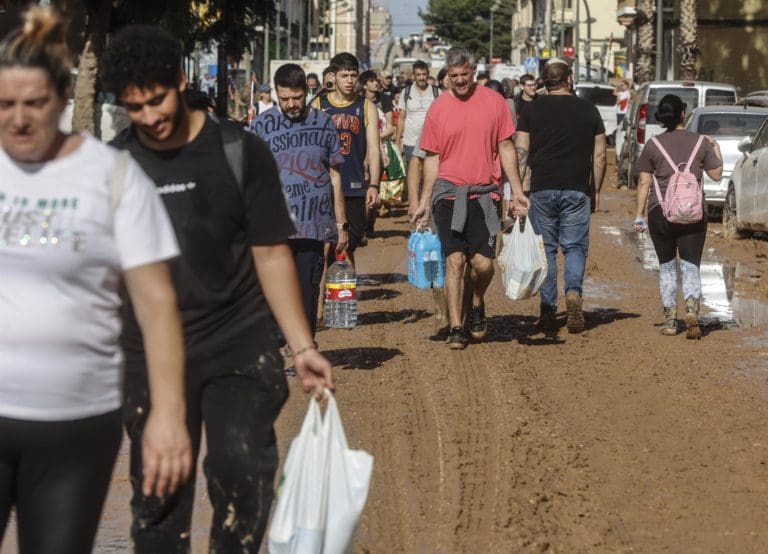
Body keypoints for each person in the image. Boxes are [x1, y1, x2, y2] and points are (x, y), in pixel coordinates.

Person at [102, 25, 333, 553]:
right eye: (134, 107)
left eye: (157, 100)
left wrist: (302, 347)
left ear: (180, 81)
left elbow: (271, 253)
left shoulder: (239, 151)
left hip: (238, 340)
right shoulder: (113, 166)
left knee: (241, 475)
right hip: (150, 353)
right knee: (159, 498)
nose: (149, 117)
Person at [0, 7, 191, 552]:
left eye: (34, 104)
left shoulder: (112, 176)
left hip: (77, 421)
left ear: (63, 98)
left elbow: (157, 306)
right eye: (5, 105)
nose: (19, 119)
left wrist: (168, 416)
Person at [411, 47, 528, 349]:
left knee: (483, 265)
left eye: (464, 74)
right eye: (454, 76)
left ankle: (476, 300)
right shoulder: (438, 108)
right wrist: (424, 200)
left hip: (485, 196)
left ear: (474, 72)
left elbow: (506, 147)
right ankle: (455, 327)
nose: (460, 81)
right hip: (448, 194)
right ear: (447, 76)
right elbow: (432, 157)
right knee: (454, 261)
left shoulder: (495, 102)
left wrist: (517, 192)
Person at [250, 63, 348, 339]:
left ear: (306, 91)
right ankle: (280, 341)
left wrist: (341, 224)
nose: (291, 104)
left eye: (297, 97)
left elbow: (335, 176)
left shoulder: (324, 123)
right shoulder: (260, 125)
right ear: (276, 94)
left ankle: (305, 346)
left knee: (306, 290)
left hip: (313, 225)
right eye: (285, 99)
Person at [514, 58, 607, 334]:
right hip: (577, 188)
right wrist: (596, 190)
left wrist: (517, 191)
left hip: (542, 187)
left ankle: (547, 309)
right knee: (575, 247)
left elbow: (521, 152)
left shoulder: (530, 110)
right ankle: (574, 293)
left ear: (544, 82)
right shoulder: (589, 109)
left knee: (546, 249)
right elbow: (600, 156)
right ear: (569, 80)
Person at [634, 94, 723, 339]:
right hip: (693, 214)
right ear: (683, 114)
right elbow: (717, 174)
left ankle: (670, 319)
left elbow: (643, 183)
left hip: (660, 212)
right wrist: (715, 147)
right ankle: (692, 309)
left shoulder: (653, 144)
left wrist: (639, 215)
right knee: (691, 264)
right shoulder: (701, 142)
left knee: (666, 266)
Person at [313, 52, 380, 265]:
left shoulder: (366, 106)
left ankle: (342, 275)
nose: (350, 80)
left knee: (354, 235)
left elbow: (374, 149)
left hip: (354, 181)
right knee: (328, 240)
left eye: (353, 75)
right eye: (344, 75)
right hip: (325, 182)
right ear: (333, 76)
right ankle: (333, 280)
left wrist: (374, 185)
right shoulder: (319, 105)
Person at [396, 59, 440, 168]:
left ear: (428, 75)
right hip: (410, 142)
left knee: (430, 174)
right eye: (418, 74)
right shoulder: (406, 92)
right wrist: (398, 140)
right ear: (414, 76)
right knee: (413, 173)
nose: (421, 77)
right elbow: (401, 118)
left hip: (431, 142)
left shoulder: (436, 92)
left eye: (424, 74)